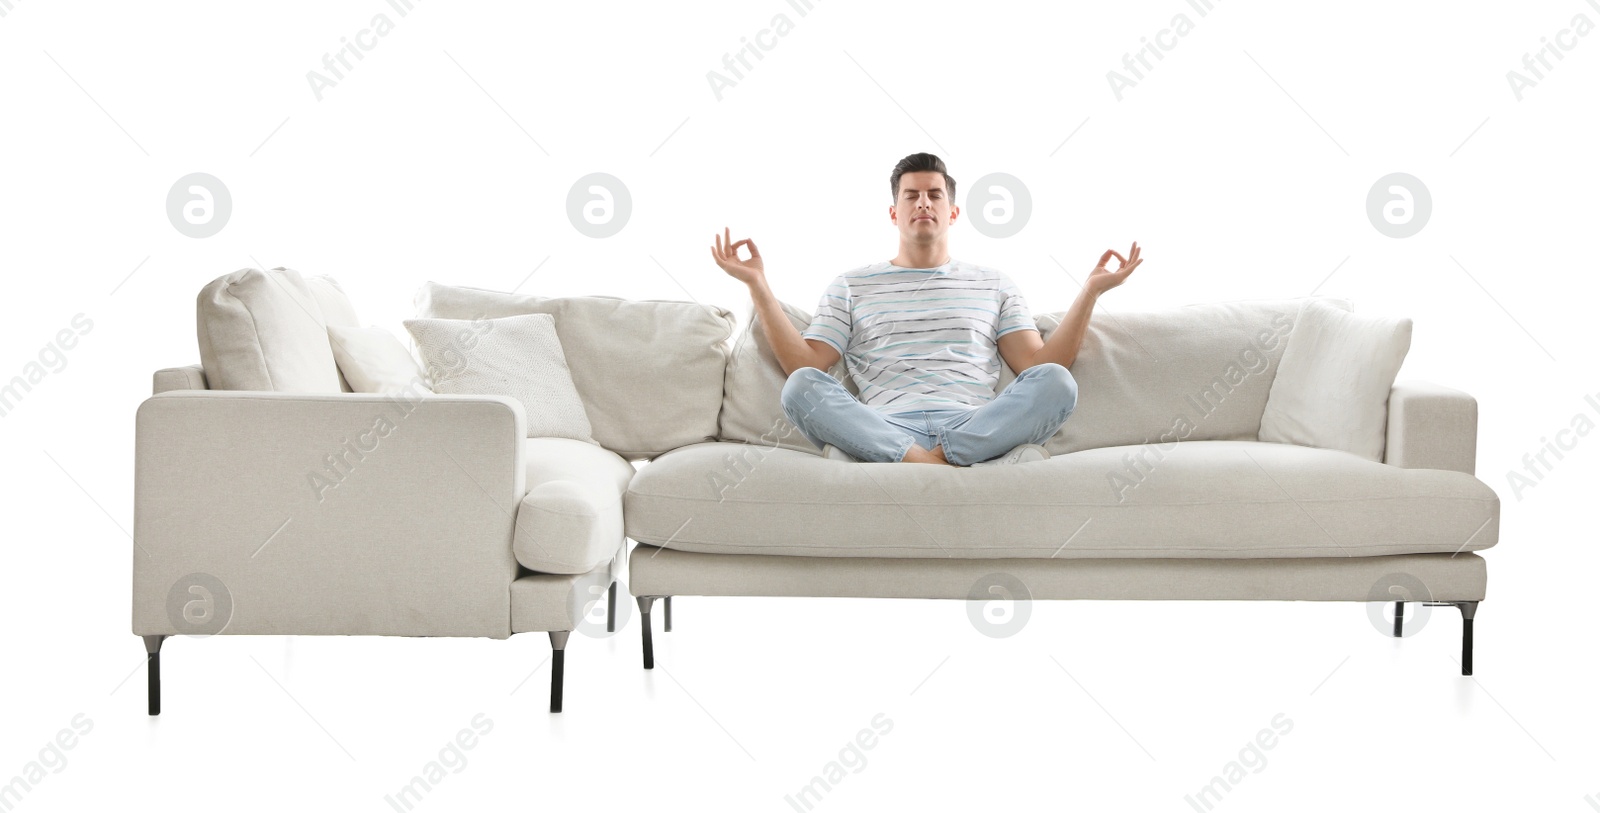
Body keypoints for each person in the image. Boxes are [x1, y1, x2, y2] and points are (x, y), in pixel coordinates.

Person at [709, 152, 1142, 466]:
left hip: (975, 424)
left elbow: (1038, 365)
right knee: (800, 386)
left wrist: (1090, 292)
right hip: (887, 426)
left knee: (1058, 382)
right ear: (893, 211)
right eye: (911, 195)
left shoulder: (993, 283)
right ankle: (930, 462)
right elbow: (807, 365)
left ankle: (929, 459)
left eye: (934, 195)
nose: (922, 203)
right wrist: (757, 284)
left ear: (951, 212)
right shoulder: (851, 285)